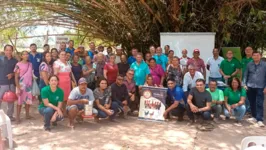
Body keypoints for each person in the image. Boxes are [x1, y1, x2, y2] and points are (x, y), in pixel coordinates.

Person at [244, 51, 266, 127]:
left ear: (260, 56)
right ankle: (254, 116)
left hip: (261, 86)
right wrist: (244, 84)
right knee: (251, 102)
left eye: (257, 55)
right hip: (250, 86)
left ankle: (259, 119)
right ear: (252, 56)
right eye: (254, 55)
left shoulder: (264, 65)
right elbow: (245, 75)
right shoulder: (249, 64)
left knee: (259, 103)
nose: (256, 57)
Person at [14, 51, 33, 124]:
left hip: (29, 85)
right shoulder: (18, 64)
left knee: (28, 101)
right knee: (20, 101)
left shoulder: (30, 64)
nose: (26, 55)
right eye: (24, 54)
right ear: (21, 56)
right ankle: (18, 117)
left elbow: (31, 74)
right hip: (21, 85)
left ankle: (27, 115)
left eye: (27, 54)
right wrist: (18, 86)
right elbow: (16, 77)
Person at [0, 45, 17, 121]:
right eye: (7, 50)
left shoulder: (15, 61)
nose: (8, 52)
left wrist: (12, 74)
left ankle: (9, 115)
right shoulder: (1, 59)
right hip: (1, 83)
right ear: (4, 51)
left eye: (10, 50)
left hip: (11, 83)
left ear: (12, 51)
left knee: (11, 99)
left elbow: (17, 72)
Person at [241, 47, 253, 114]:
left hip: (251, 80)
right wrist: (240, 79)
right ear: (245, 51)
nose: (248, 51)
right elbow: (240, 70)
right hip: (243, 80)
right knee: (244, 94)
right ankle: (246, 109)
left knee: (250, 95)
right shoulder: (243, 59)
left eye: (249, 50)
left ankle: (250, 110)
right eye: (246, 50)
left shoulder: (253, 59)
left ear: (252, 51)